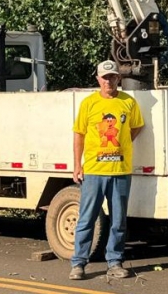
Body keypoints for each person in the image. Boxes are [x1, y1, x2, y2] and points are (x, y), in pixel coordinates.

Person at [69, 60, 144, 281]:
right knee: (87, 218)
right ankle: (79, 263)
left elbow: (137, 126)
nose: (108, 80)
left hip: (120, 170)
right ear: (98, 79)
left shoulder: (128, 102)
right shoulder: (89, 103)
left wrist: (123, 144)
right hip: (94, 170)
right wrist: (77, 165)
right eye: (104, 77)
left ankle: (115, 262)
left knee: (119, 219)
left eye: (112, 76)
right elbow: (79, 134)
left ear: (118, 79)